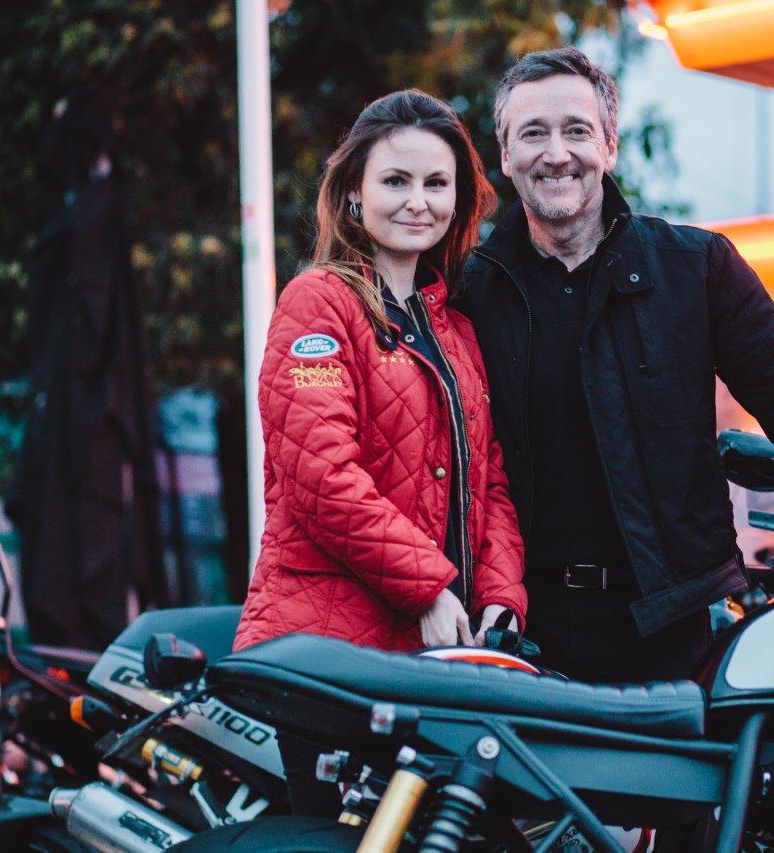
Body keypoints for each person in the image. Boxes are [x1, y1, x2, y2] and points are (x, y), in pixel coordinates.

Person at [455, 47, 774, 685]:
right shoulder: (466, 292)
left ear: (609, 146)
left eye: (576, 130)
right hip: (516, 632)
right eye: (533, 133)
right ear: (505, 155)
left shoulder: (697, 270)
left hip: (670, 636)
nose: (557, 153)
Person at [232, 90, 527, 812]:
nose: (418, 201)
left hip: (433, 662)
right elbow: (322, 477)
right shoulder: (318, 302)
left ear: (459, 202)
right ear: (355, 194)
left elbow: (490, 481)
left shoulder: (457, 330)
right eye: (396, 180)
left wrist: (501, 599)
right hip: (328, 652)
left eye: (437, 183)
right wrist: (427, 586)